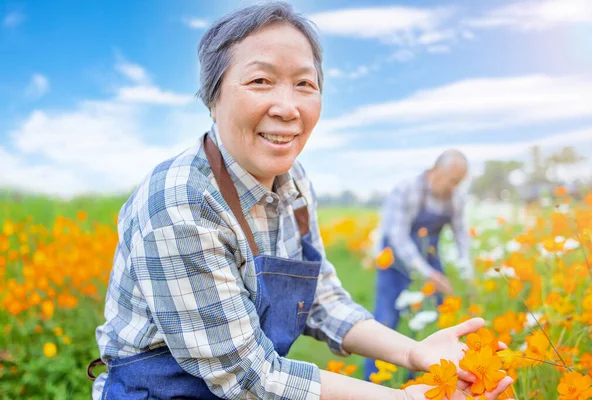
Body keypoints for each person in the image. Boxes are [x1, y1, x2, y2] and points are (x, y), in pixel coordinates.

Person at [87, 3, 511, 399]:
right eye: (260, 81)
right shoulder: (181, 204)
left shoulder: (293, 179)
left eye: (304, 84)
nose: (288, 108)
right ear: (213, 98)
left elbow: (321, 299)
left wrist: (416, 354)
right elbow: (249, 377)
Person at [364, 150, 474, 381]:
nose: (455, 187)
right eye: (453, 180)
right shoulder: (407, 190)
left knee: (436, 317)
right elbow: (399, 238)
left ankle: (419, 381)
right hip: (394, 261)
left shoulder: (455, 198)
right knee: (384, 322)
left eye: (459, 182)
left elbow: (461, 236)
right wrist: (428, 274)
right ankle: (373, 382)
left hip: (429, 257)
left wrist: (467, 274)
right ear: (436, 171)